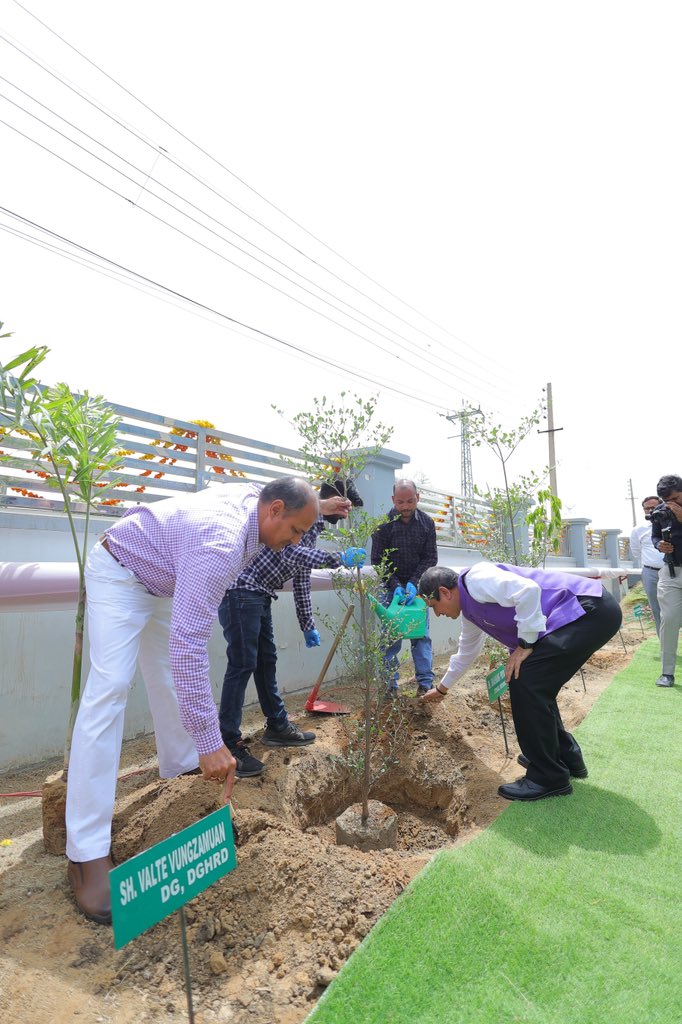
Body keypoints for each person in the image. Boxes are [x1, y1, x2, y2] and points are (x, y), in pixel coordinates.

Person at [65, 477, 320, 924]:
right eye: (296, 531)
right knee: (109, 691)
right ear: (274, 509)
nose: (294, 543)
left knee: (164, 676)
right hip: (120, 571)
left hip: (164, 576)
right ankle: (85, 853)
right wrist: (210, 740)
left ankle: (181, 773)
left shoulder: (255, 511)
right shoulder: (220, 544)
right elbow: (189, 646)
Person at [417, 563, 622, 801]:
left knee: (525, 680)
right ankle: (564, 757)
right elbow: (466, 653)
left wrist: (525, 645)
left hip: (590, 610)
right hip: (587, 612)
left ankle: (548, 776)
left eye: (434, 606)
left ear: (445, 592)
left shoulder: (476, 580)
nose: (437, 613)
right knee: (532, 681)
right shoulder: (470, 612)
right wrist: (442, 690)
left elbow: (528, 590)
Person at [218, 493, 364, 777]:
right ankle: (228, 742)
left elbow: (301, 580)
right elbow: (290, 553)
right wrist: (337, 558)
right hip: (240, 591)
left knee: (265, 661)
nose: (341, 515)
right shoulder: (296, 522)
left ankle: (277, 726)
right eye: (338, 507)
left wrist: (307, 623)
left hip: (258, 595)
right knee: (242, 664)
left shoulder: (309, 531)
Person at [371, 479, 438, 696]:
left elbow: (430, 558)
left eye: (410, 501)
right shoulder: (383, 525)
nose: (406, 506)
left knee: (421, 636)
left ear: (417, 498)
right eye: (401, 502)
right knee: (391, 637)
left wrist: (413, 582)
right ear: (393, 500)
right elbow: (378, 561)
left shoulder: (427, 523)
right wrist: (397, 585)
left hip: (417, 589)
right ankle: (390, 686)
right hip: (392, 589)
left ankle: (425, 684)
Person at [650, 474, 682, 688]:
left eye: (676, 498)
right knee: (669, 620)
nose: (672, 504)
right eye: (667, 500)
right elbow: (655, 536)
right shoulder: (661, 511)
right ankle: (667, 673)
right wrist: (659, 545)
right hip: (671, 572)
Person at [629, 495, 664, 635]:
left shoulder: (672, 524)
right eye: (647, 508)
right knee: (657, 610)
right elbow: (636, 553)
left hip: (675, 571)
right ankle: (665, 647)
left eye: (653, 507)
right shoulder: (638, 530)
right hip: (651, 573)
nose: (650, 510)